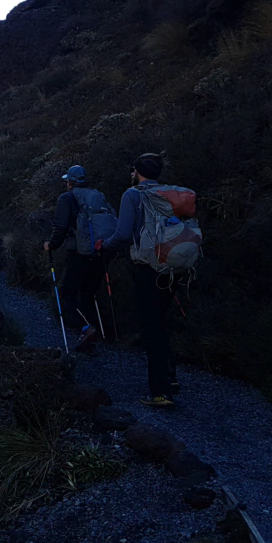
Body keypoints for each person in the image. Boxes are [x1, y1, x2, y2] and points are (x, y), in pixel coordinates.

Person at [101, 152, 181, 408]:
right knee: (159, 320)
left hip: (148, 267)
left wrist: (105, 246)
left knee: (149, 327)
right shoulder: (170, 192)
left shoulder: (132, 195)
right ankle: (170, 376)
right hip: (173, 264)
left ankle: (160, 392)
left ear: (137, 171)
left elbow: (123, 234)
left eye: (133, 170)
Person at [43, 165, 112, 353]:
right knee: (88, 293)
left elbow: (60, 227)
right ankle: (94, 334)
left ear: (70, 182)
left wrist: (51, 245)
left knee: (67, 293)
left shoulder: (66, 198)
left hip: (78, 253)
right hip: (100, 250)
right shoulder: (98, 195)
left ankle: (86, 328)